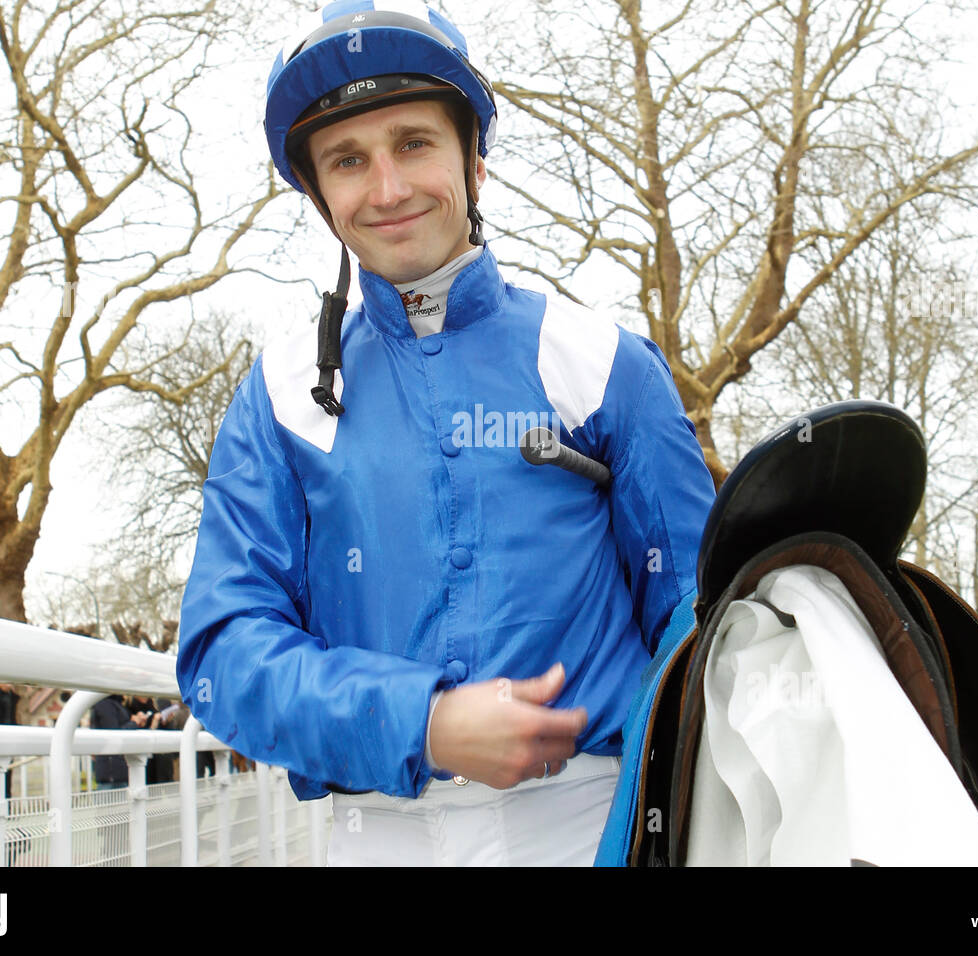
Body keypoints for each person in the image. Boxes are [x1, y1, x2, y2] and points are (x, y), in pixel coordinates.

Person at [177, 2, 716, 865]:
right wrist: (423, 722)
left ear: (474, 159)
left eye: (414, 143)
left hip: (597, 826)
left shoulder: (608, 363)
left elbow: (700, 612)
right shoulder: (276, 396)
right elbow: (222, 653)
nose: (387, 190)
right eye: (348, 160)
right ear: (321, 197)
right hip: (372, 834)